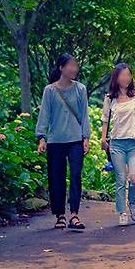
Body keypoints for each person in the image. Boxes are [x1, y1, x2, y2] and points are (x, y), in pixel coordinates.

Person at [35, 54, 90, 230]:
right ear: (61, 68)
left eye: (76, 66)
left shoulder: (80, 89)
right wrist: (41, 137)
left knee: (75, 176)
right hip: (55, 141)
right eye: (71, 66)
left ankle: (74, 215)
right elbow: (44, 114)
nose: (74, 69)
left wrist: (86, 137)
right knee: (56, 178)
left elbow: (84, 114)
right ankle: (60, 215)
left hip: (75, 140)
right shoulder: (50, 90)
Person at [100, 63, 135, 226]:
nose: (126, 78)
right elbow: (105, 120)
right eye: (122, 75)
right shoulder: (110, 98)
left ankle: (132, 203)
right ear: (116, 77)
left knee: (134, 178)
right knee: (121, 179)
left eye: (128, 75)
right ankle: (122, 212)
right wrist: (103, 139)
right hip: (117, 143)